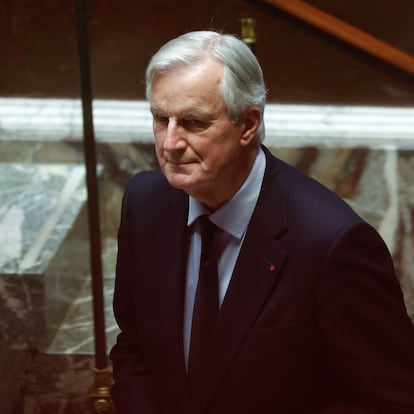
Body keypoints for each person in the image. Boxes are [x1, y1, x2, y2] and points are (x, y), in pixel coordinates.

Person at [110, 30, 414, 413]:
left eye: (193, 122)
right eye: (160, 119)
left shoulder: (332, 243)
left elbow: (393, 399)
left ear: (248, 124)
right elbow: (135, 348)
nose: (169, 143)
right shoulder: (145, 203)